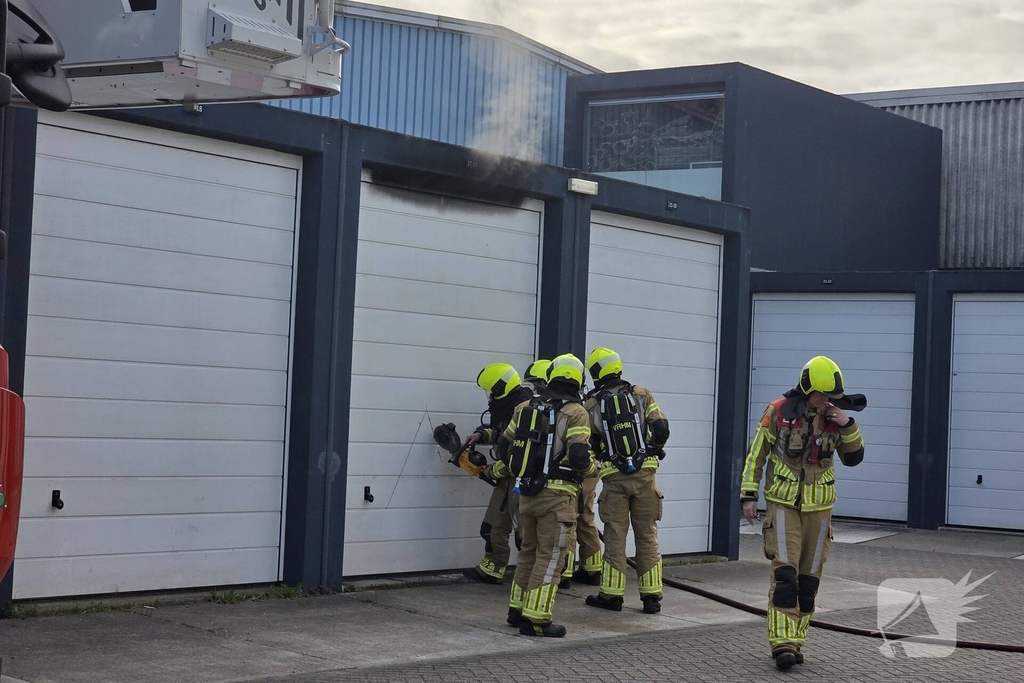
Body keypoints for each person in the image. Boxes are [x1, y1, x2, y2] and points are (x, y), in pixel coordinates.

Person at [740, 355, 865, 670]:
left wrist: (847, 425)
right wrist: (748, 494)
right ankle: (781, 644)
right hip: (783, 506)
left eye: (829, 396)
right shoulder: (778, 412)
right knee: (786, 577)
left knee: (808, 583)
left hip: (820, 511)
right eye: (820, 394)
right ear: (807, 387)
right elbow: (757, 453)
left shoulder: (835, 418)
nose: (825, 401)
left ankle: (796, 642)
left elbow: (854, 458)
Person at [493, 353, 597, 637]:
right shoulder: (577, 412)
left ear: (551, 376)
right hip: (558, 497)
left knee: (528, 551)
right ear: (577, 380)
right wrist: (592, 467)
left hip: (526, 494)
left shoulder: (525, 407)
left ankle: (517, 610)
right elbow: (578, 455)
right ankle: (537, 619)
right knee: (551, 556)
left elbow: (503, 448)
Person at [582, 347, 670, 615]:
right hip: (645, 476)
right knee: (647, 537)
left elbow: (585, 443)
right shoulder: (641, 394)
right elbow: (662, 427)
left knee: (615, 538)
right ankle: (651, 597)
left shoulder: (591, 405)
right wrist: (654, 448)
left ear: (595, 372)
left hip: (614, 479)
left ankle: (611, 595)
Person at [462, 363, 534, 584]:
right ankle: (492, 568)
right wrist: (481, 435)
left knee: (526, 535)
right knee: (492, 526)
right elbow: (502, 433)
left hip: (523, 479)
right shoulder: (507, 406)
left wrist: (492, 471)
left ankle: (532, 577)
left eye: (490, 391)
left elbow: (521, 453)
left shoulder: (524, 409)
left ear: (499, 389)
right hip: (507, 477)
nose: (488, 397)